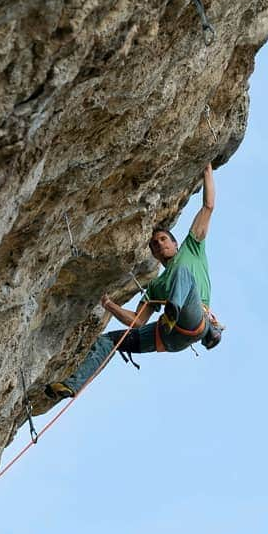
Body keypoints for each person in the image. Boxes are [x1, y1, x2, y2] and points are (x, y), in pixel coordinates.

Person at [46, 162, 221, 401]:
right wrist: (109, 305)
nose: (159, 244)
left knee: (184, 274)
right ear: (154, 254)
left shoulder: (191, 249)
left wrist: (207, 171)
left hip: (192, 319)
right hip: (167, 335)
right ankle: (71, 385)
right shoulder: (155, 286)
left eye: (163, 239)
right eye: (154, 245)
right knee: (109, 340)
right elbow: (137, 322)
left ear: (174, 243)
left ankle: (173, 311)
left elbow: (208, 206)